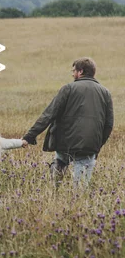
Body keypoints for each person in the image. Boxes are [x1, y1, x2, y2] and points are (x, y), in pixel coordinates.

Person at [23, 57, 114, 188]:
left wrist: (29, 136)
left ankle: (53, 198)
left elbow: (48, 114)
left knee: (54, 183)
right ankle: (78, 206)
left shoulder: (68, 88)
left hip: (64, 144)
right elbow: (109, 124)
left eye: (73, 71)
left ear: (80, 71)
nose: (72, 74)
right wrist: (97, 145)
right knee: (80, 189)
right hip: (89, 146)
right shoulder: (106, 93)